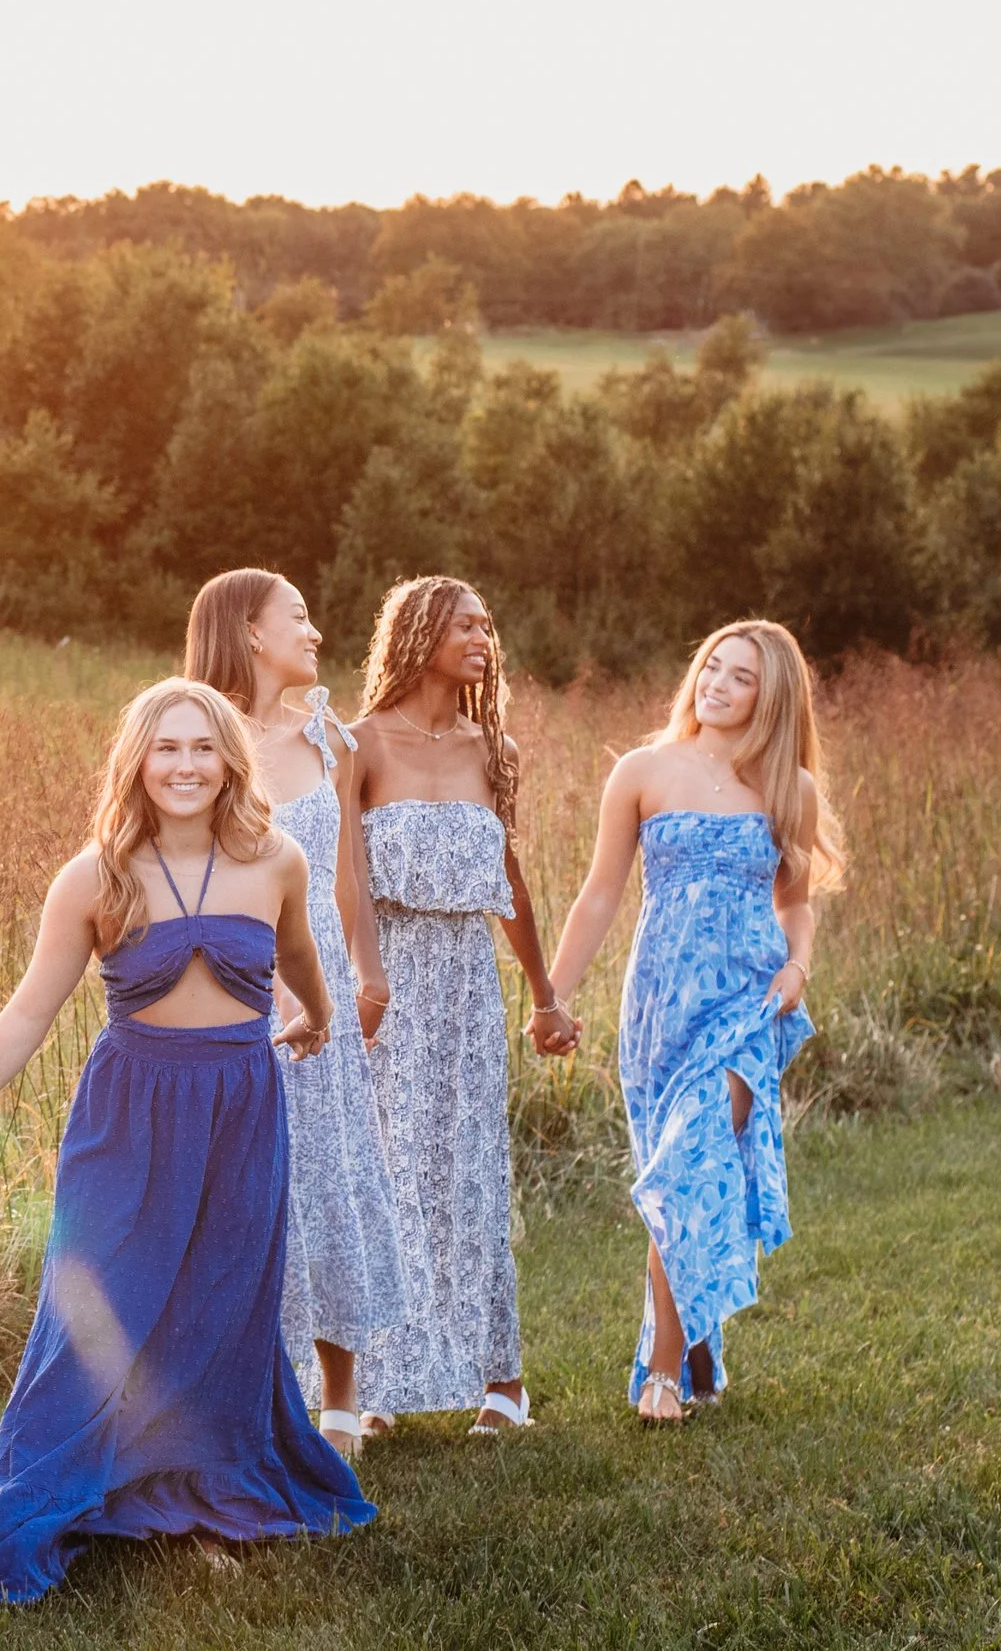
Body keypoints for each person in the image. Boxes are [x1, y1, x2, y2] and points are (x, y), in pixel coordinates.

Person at [0, 677, 376, 1604]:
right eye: (167, 747)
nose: (185, 766)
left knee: (220, 1305)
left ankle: (205, 1503)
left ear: (231, 760)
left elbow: (302, 956)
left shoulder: (278, 861)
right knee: (106, 1304)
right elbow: (28, 1012)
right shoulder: (95, 876)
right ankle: (67, 1484)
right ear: (136, 761)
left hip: (239, 1107)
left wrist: (317, 1015)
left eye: (203, 747)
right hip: (129, 1113)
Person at [546, 620, 842, 1423]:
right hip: (659, 1008)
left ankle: (662, 1374)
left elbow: (795, 903)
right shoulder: (642, 771)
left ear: (771, 697)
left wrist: (797, 966)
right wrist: (553, 994)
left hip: (745, 1004)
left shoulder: (789, 788)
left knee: (690, 1164)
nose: (717, 683)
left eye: (742, 676)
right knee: (683, 1173)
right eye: (713, 665)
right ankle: (700, 1345)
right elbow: (600, 894)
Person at [184, 568, 409, 1457]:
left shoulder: (329, 736)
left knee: (331, 1173)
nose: (315, 632)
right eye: (299, 617)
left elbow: (347, 870)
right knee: (247, 1190)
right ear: (249, 630)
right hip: (232, 986)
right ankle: (243, 1391)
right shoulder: (196, 740)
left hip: (322, 990)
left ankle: (340, 1398)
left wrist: (366, 970)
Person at [347, 575, 575, 1438]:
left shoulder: (494, 750)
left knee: (472, 1174)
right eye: (463, 625)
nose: (482, 638)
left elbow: (506, 879)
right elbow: (345, 881)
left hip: (467, 985)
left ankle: (502, 1380)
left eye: (486, 625)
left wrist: (544, 995)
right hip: (384, 982)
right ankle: (382, 1379)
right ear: (416, 636)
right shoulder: (358, 744)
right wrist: (362, 982)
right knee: (389, 1174)